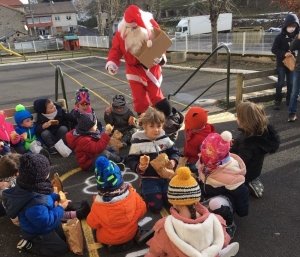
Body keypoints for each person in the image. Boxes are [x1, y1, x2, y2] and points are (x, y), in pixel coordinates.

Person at [146, 166, 239, 257]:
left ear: (174, 203)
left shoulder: (164, 227)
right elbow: (224, 241)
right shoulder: (217, 220)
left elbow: (156, 251)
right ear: (197, 198)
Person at [2, 153, 69, 256]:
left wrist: (56, 197)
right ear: (38, 176)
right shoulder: (33, 203)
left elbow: (46, 196)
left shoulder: (33, 185)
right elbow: (45, 222)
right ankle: (30, 245)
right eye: (47, 171)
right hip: (37, 231)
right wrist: (60, 208)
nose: (48, 173)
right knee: (61, 249)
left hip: (44, 219)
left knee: (64, 237)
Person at [106, 5, 167, 115]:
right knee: (139, 100)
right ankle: (144, 124)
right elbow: (116, 49)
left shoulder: (151, 25)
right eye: (129, 28)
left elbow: (161, 42)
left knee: (157, 97)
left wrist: (161, 57)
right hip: (133, 69)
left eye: (134, 27)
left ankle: (167, 119)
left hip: (151, 68)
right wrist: (112, 63)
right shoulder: (121, 33)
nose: (132, 30)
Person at [86, 156, 147, 254]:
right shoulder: (132, 195)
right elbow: (142, 210)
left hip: (108, 238)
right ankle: (136, 234)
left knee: (96, 228)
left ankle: (111, 245)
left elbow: (91, 223)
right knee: (133, 219)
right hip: (130, 233)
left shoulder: (98, 206)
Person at [126, 108, 180, 213]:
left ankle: (162, 192)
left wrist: (173, 161)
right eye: (152, 126)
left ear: (162, 125)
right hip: (149, 178)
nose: (156, 129)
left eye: (159, 126)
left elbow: (175, 152)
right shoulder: (138, 142)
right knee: (155, 207)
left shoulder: (164, 138)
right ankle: (144, 189)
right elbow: (130, 160)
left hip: (166, 177)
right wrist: (138, 166)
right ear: (144, 126)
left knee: (171, 203)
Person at [197, 131, 249, 238]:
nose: (203, 161)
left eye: (207, 159)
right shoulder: (206, 161)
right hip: (208, 193)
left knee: (215, 204)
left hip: (226, 199)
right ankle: (210, 213)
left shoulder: (230, 173)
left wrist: (242, 211)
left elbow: (242, 193)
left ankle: (229, 223)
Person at [231, 101, 280, 198]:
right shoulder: (261, 131)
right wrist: (236, 143)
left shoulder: (246, 140)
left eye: (237, 115)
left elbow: (242, 162)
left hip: (246, 173)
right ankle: (253, 180)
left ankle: (247, 184)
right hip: (255, 169)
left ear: (243, 120)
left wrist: (230, 152)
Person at [271, 13, 299, 110]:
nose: (292, 28)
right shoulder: (279, 37)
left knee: (291, 82)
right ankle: (277, 100)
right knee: (281, 82)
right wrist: (284, 53)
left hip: (292, 63)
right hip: (281, 63)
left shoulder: (296, 37)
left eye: (294, 26)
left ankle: (288, 100)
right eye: (290, 26)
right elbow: (274, 49)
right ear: (286, 26)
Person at [183, 107, 216, 174]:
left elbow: (205, 157)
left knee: (192, 168)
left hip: (196, 159)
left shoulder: (201, 140)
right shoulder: (198, 129)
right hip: (191, 155)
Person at [287, 32, 300, 121]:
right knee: (294, 92)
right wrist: (298, 38)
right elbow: (291, 48)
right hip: (298, 69)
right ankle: (291, 113)